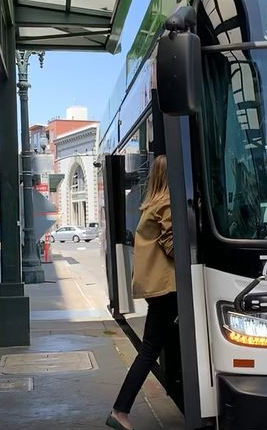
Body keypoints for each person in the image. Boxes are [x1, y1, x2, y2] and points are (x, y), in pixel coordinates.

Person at [107, 155, 176, 430]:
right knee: (149, 351)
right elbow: (174, 246)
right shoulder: (167, 204)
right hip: (167, 288)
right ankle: (120, 411)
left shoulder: (150, 204)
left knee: (156, 346)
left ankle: (121, 409)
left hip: (156, 288)